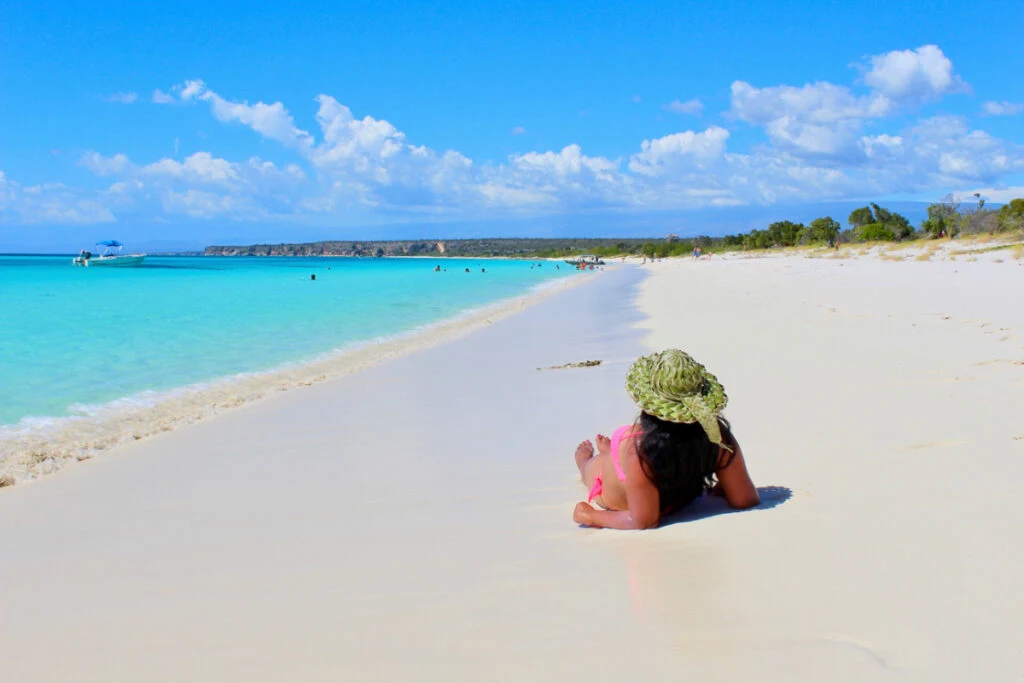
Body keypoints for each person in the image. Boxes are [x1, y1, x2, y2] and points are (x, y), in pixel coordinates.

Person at [573, 349, 759, 529]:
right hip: (639, 466)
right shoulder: (716, 437)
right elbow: (745, 499)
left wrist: (591, 516)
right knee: (618, 454)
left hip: (613, 485)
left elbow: (643, 521)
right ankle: (602, 457)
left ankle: (588, 462)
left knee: (595, 467)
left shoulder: (641, 452)